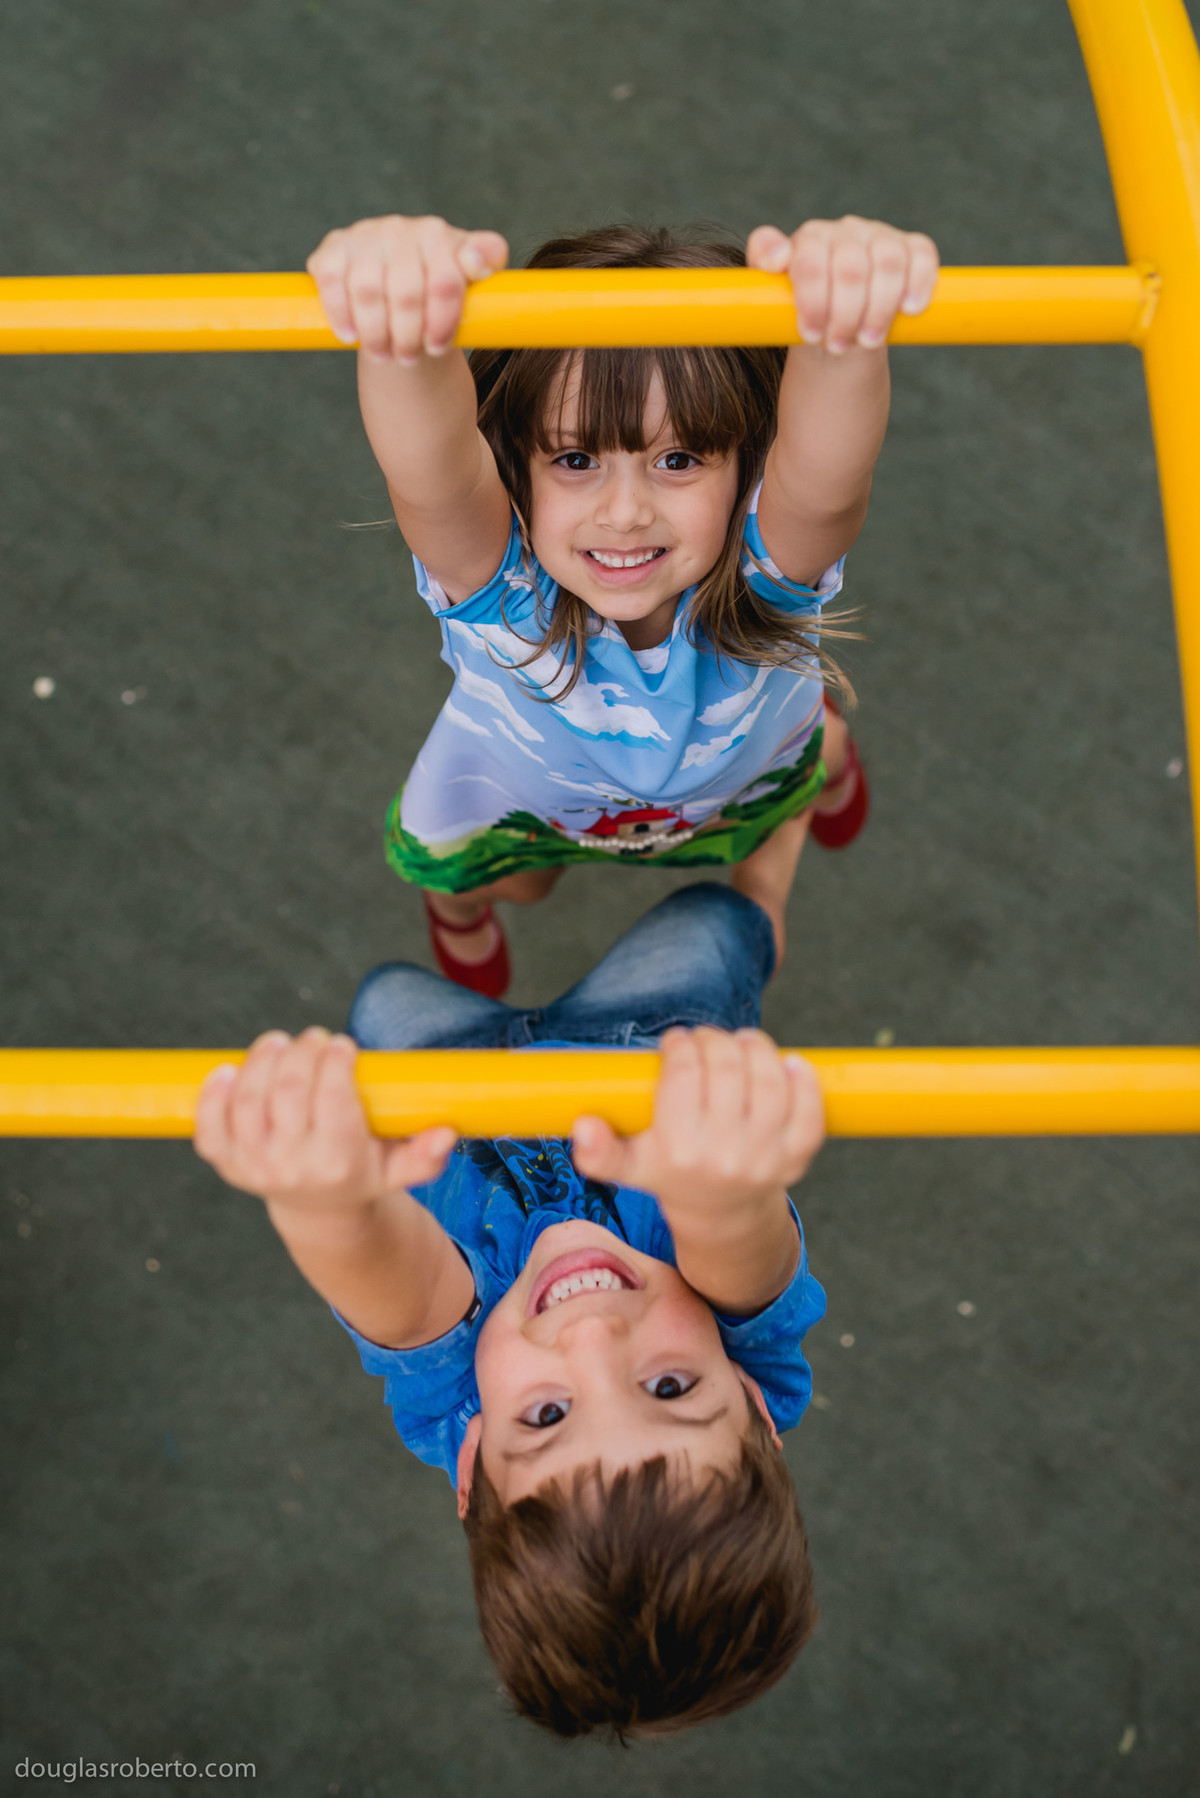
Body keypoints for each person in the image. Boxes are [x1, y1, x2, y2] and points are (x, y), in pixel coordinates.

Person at [194, 883, 827, 1737]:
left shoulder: (458, 1397)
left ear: (473, 1459)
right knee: (718, 919)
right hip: (647, 1042)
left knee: (384, 995)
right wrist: (718, 1191)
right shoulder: (744, 1334)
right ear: (754, 1404)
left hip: (448, 1085)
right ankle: (787, 825)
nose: (594, 1339)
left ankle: (465, 913)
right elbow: (742, 1242)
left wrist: (320, 1203)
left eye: (548, 1413)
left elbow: (398, 1288)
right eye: (672, 1389)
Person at [307, 210, 939, 996]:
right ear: (515, 466)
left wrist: (844, 334)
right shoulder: (502, 592)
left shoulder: (763, 571)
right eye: (575, 459)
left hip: (736, 775)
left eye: (677, 459)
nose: (625, 512)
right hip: (530, 804)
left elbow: (826, 477)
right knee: (506, 881)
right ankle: (463, 916)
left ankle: (791, 838)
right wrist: (403, 336)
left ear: (749, 464)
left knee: (794, 785)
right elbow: (429, 467)